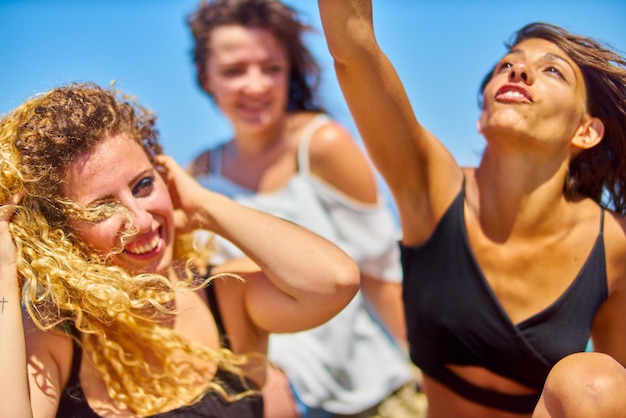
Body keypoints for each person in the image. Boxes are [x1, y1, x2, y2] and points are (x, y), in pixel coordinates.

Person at [318, 1, 626, 417]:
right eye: (505, 66)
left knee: (594, 381)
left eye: (552, 70)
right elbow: (353, 48)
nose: (517, 71)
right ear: (481, 117)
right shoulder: (430, 187)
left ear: (586, 131)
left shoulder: (614, 246)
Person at [0, 82, 360, 417]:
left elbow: (336, 282)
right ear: (58, 234)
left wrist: (206, 208)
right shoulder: (54, 335)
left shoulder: (224, 294)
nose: (140, 221)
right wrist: (3, 269)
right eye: (102, 207)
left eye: (143, 185)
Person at [186, 1, 418, 417]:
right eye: (235, 70)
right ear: (207, 79)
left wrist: (428, 373)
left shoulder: (323, 145)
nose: (256, 85)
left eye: (271, 68)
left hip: (361, 399)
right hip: (259, 397)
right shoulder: (200, 173)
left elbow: (382, 276)